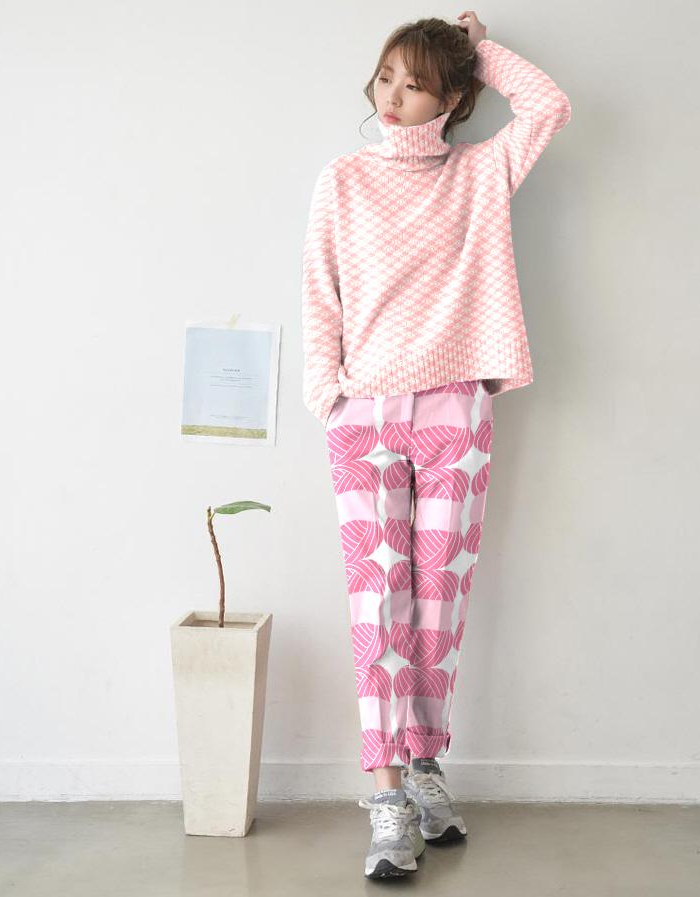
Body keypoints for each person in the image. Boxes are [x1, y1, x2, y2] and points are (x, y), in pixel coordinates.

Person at [300, 10, 571, 880]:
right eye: (387, 75)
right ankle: (387, 796)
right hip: (365, 411)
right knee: (376, 603)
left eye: (416, 84)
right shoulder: (343, 179)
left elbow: (549, 106)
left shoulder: (481, 171)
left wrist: (477, 49)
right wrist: (328, 397)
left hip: (456, 405)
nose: (393, 95)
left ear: (452, 99)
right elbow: (320, 294)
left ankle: (423, 763)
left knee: (435, 607)